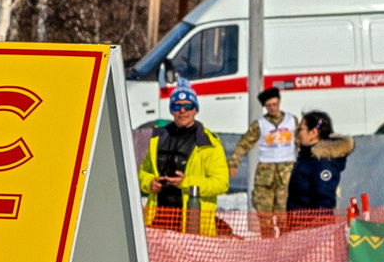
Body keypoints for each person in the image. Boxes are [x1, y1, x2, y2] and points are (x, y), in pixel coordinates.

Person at [137, 84, 230, 232]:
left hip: (193, 227)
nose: (182, 111)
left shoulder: (208, 142)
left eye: (187, 106)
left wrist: (187, 183)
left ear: (195, 109)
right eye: (176, 106)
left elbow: (221, 183)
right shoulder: (158, 137)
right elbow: (143, 172)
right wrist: (150, 183)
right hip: (157, 223)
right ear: (171, 110)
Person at [231, 84, 297, 233]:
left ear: (279, 102)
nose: (272, 108)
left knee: (285, 217)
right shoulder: (260, 124)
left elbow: (302, 141)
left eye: (275, 104)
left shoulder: (291, 121)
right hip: (266, 175)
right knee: (265, 217)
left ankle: (286, 249)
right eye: (269, 106)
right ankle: (268, 250)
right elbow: (244, 144)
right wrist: (233, 163)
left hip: (287, 174)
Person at [284, 109, 353, 217]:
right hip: (298, 227)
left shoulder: (322, 162)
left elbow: (324, 201)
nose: (297, 134)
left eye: (300, 129)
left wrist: (320, 229)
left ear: (313, 133)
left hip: (312, 229)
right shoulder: (307, 158)